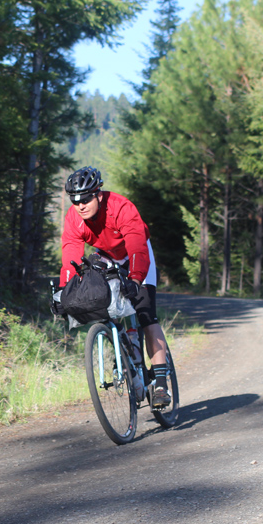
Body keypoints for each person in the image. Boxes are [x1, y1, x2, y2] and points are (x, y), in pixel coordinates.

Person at [53, 166, 172, 408]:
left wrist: (136, 279)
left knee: (146, 314)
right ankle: (126, 346)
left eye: (86, 199)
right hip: (107, 255)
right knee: (102, 301)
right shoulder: (74, 218)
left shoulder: (121, 207)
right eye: (75, 201)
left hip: (136, 252)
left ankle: (161, 383)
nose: (80, 205)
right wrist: (63, 292)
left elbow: (137, 246)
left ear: (98, 194)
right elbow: (70, 256)